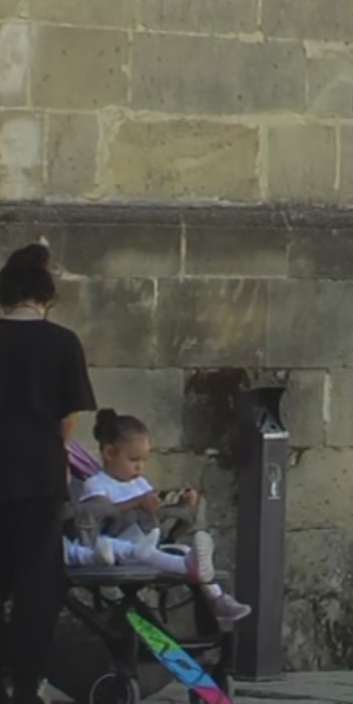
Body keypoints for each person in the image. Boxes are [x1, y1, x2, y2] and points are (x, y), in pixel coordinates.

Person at [0, 245, 97, 704]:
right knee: (37, 582)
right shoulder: (62, 343)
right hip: (39, 472)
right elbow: (66, 420)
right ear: (46, 296)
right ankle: (25, 682)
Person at [67, 410, 252, 626]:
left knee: (183, 551)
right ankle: (191, 570)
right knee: (155, 556)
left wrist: (181, 504)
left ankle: (218, 600)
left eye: (144, 460)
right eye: (133, 460)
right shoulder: (97, 484)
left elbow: (152, 511)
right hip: (115, 547)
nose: (140, 467)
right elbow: (100, 513)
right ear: (109, 453)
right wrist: (137, 503)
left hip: (147, 540)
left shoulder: (139, 483)